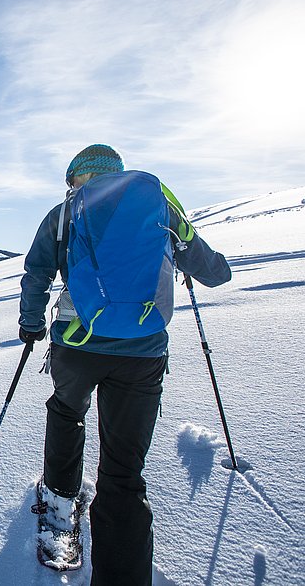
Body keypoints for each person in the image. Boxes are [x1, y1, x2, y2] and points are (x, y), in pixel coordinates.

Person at [18, 145, 231, 585]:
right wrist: (208, 266)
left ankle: (60, 500)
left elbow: (38, 271)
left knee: (66, 411)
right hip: (142, 351)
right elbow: (211, 269)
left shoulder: (64, 213)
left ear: (77, 176)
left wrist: (30, 323)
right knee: (123, 467)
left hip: (76, 344)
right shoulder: (156, 203)